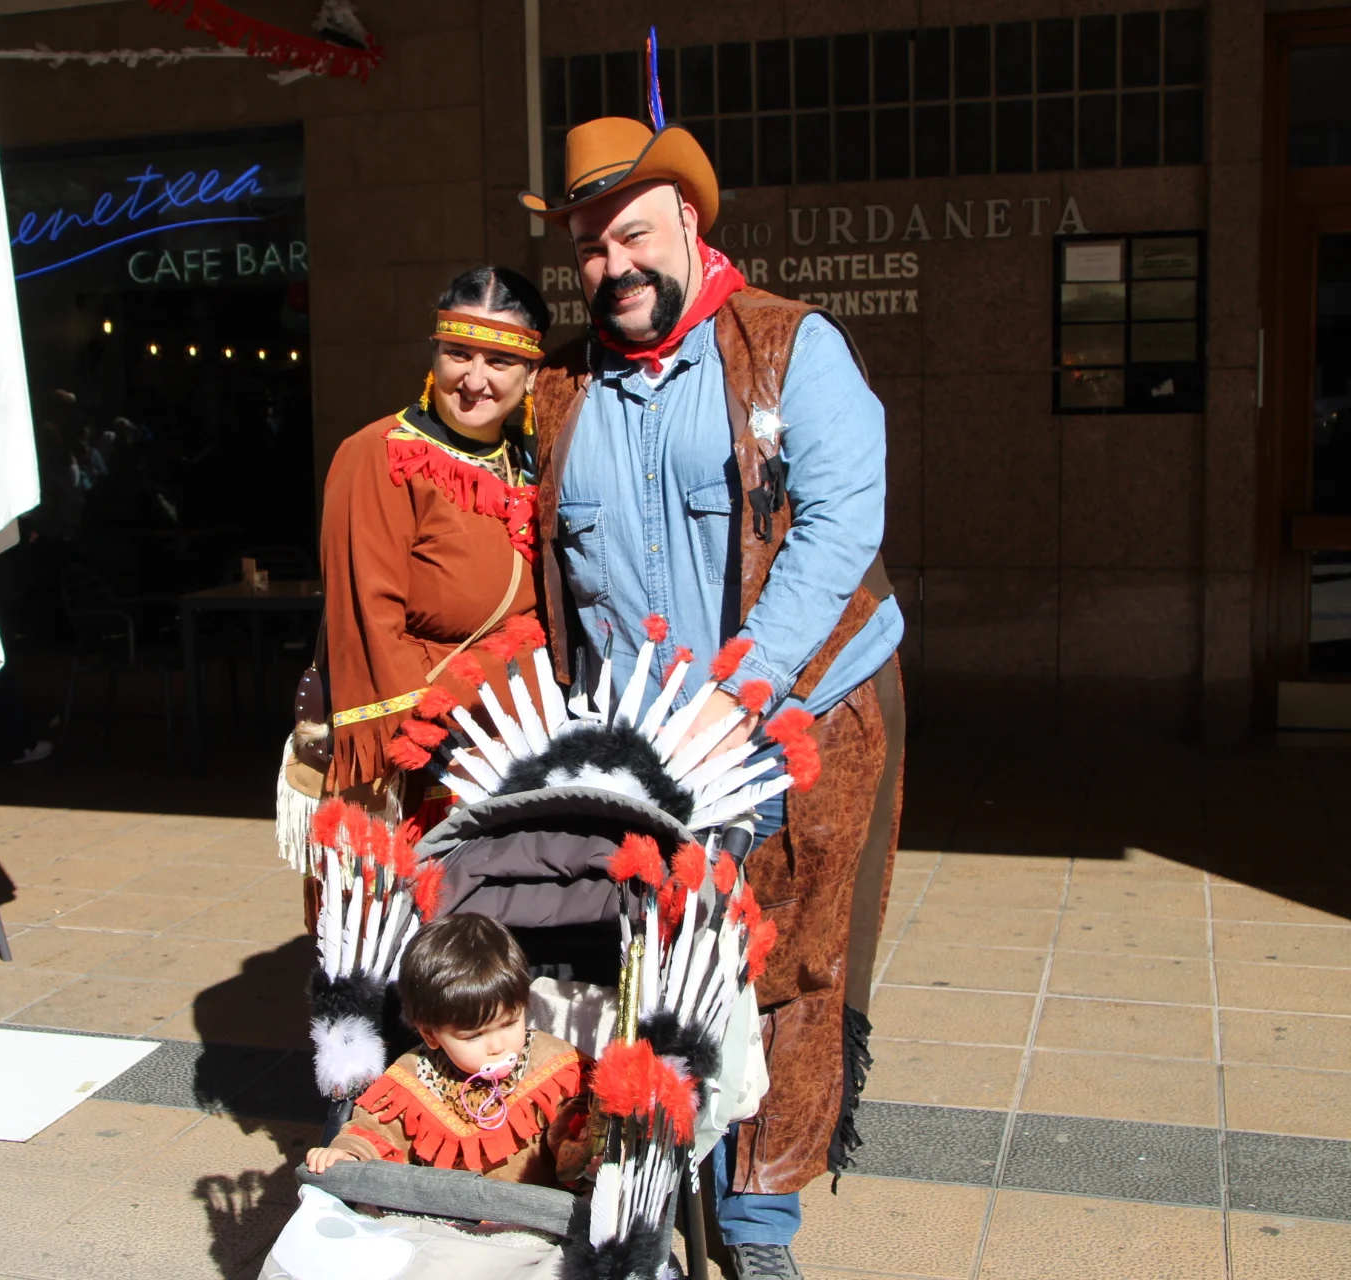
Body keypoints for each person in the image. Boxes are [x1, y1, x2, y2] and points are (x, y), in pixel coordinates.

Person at [522, 117, 906, 1278]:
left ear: (688, 220)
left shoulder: (793, 347)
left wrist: (740, 691)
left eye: (634, 235)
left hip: (794, 724)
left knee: (787, 971)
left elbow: (839, 527)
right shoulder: (559, 388)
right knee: (647, 973)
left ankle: (757, 1226)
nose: (614, 266)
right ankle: (649, 1189)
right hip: (641, 749)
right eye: (591, 248)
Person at [316, 266, 550, 828]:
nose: (474, 379)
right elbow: (368, 620)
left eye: (499, 361)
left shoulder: (531, 464)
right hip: (431, 761)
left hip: (520, 748)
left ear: (531, 374)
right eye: (458, 354)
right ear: (435, 353)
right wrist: (419, 747)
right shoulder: (377, 454)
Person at [304, 913, 591, 1187]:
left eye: (510, 1023)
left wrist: (583, 1147)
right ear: (431, 1034)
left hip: (531, 1211)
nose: (497, 1046)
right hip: (439, 1212)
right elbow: (377, 1129)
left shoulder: (554, 1067)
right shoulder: (414, 1077)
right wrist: (349, 1152)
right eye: (473, 1036)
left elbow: (575, 1124)